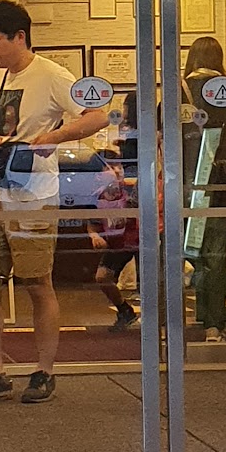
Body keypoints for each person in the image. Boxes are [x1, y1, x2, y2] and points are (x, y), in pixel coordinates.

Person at [0, 0, 108, 405]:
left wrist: (54, 137)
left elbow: (98, 115)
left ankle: (44, 371)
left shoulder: (52, 74)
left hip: (35, 195)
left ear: (20, 37)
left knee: (37, 283)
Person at [182, 36, 226, 343]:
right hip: (221, 178)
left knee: (186, 245)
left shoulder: (179, 88)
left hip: (186, 180)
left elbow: (160, 138)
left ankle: (172, 323)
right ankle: (213, 325)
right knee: (216, 248)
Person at [88, 94, 140, 329]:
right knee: (103, 277)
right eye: (109, 168)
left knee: (150, 281)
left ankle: (157, 322)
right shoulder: (97, 195)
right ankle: (125, 311)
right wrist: (94, 235)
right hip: (118, 242)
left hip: (139, 239)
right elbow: (91, 220)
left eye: (117, 167)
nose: (115, 171)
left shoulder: (131, 188)